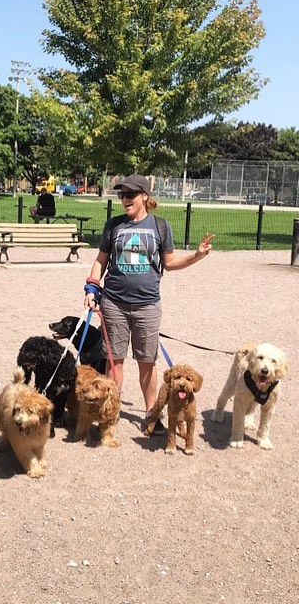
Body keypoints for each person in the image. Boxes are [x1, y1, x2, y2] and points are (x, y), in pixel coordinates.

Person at [84, 173, 215, 435]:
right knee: (114, 361)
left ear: (145, 196)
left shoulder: (160, 226)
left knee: (147, 362)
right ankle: (111, 413)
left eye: (130, 194)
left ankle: (151, 414)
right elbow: (100, 261)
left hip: (147, 305)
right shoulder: (114, 226)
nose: (125, 199)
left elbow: (170, 263)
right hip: (113, 303)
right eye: (122, 195)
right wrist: (91, 287)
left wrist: (196, 257)